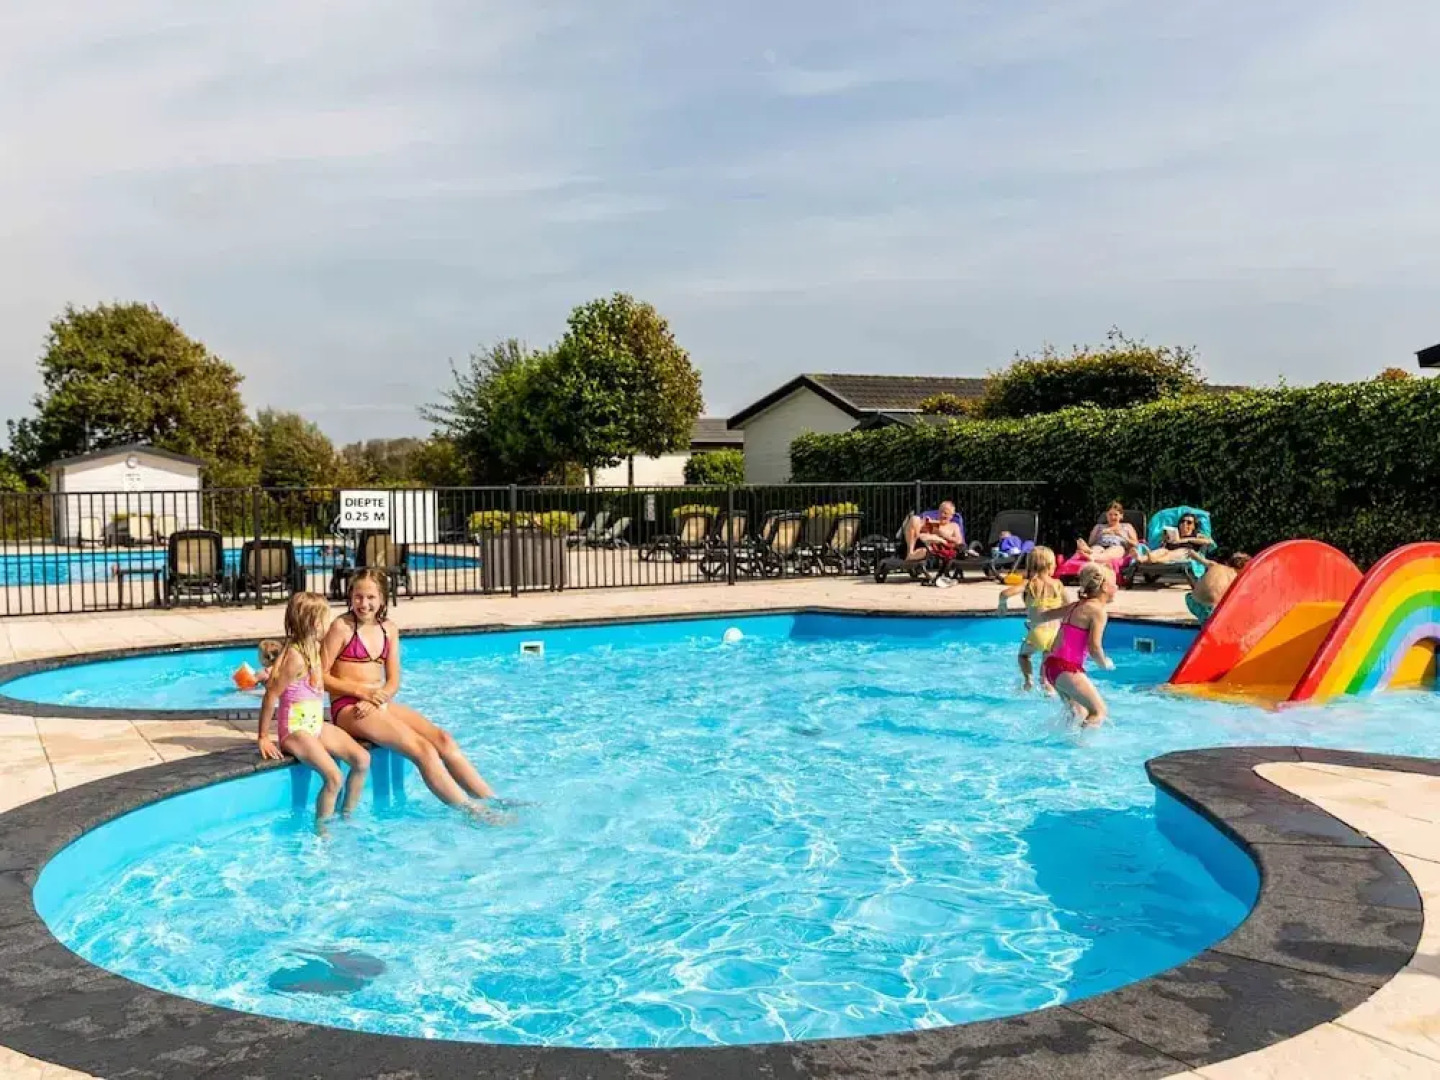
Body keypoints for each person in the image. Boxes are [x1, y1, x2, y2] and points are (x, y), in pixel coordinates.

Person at [322, 568, 497, 811]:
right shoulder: (341, 627)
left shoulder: (389, 629)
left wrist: (377, 698)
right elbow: (319, 676)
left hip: (376, 702)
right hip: (349, 708)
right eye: (358, 597)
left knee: (443, 740)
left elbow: (393, 680)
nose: (364, 603)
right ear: (350, 596)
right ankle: (471, 810)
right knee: (423, 750)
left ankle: (492, 800)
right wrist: (362, 693)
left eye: (371, 597)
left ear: (382, 598)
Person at [257, 593, 371, 829]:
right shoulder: (295, 658)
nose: (328, 625)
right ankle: (322, 833)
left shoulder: (315, 648)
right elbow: (271, 695)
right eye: (324, 620)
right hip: (295, 731)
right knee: (334, 777)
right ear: (312, 623)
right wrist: (263, 737)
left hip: (314, 725)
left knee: (362, 759)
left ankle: (347, 817)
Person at [1032, 563, 1118, 727]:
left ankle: (1065, 740)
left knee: (1078, 713)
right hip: (1067, 668)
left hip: (1051, 667)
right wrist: (1103, 663)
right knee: (1099, 711)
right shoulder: (1097, 611)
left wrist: (1035, 604)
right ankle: (1084, 743)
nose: (1117, 587)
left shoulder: (1075, 606)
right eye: (1115, 584)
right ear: (1105, 587)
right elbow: (1094, 647)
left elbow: (1042, 616)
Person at [998, 545, 1066, 691]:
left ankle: (1028, 681)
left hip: (1037, 633)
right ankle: (1047, 687)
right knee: (1047, 666)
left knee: (1023, 656)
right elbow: (1068, 607)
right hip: (1056, 634)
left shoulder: (1029, 583)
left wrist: (1002, 605)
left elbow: (1004, 594)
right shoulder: (1058, 585)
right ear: (1050, 565)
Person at [1186, 552, 1251, 622]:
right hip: (1209, 609)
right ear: (1243, 568)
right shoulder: (1235, 577)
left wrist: (1194, 555)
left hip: (1192, 601)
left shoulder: (1214, 565)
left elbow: (1203, 560)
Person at [1132, 512, 1211, 565]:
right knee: (1162, 551)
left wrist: (1187, 540)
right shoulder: (1174, 532)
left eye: (1189, 522)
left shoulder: (1196, 534)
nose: (1185, 524)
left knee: (1173, 553)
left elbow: (1208, 541)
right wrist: (1164, 540)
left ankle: (1153, 559)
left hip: (1185, 553)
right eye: (1182, 521)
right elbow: (1164, 546)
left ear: (1193, 526)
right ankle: (1142, 558)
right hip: (1168, 550)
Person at [1074, 501, 1138, 566]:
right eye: (1110, 514)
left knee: (1112, 551)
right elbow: (1090, 542)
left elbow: (1136, 544)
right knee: (1096, 549)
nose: (1112, 517)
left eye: (1116, 514)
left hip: (1117, 546)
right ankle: (1090, 552)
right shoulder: (1098, 526)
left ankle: (1091, 555)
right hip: (1099, 545)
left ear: (1121, 516)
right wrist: (1100, 533)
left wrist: (1123, 536)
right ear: (1107, 515)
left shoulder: (1127, 526)